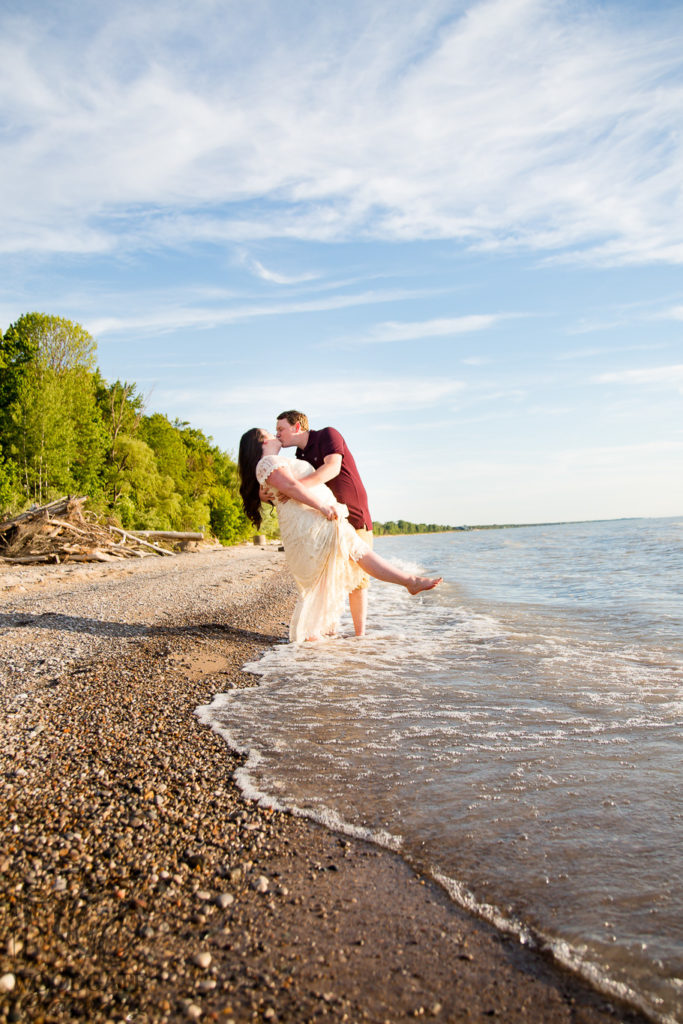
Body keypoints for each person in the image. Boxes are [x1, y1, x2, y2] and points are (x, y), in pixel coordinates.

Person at [238, 428, 442, 644]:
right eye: (270, 434)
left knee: (358, 554)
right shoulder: (267, 463)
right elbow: (290, 487)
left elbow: (290, 486)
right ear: (261, 444)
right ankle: (313, 638)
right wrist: (322, 506)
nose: (275, 436)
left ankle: (409, 581)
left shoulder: (276, 462)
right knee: (326, 577)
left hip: (322, 522)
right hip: (311, 525)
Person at [275, 410, 373, 636]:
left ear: (297, 426)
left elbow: (332, 468)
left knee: (358, 578)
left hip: (354, 513)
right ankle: (330, 632)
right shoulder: (299, 456)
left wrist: (294, 489)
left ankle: (361, 637)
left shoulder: (328, 435)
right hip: (326, 519)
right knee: (329, 574)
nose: (277, 434)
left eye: (281, 429)